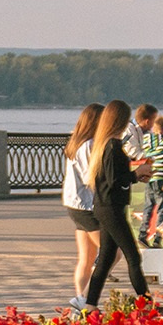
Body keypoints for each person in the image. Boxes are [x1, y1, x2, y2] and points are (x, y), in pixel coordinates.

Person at [76, 99, 153, 310]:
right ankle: (146, 305)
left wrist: (134, 176)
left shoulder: (105, 145)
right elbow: (114, 180)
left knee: (106, 259)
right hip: (110, 208)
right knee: (133, 256)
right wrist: (136, 175)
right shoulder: (112, 146)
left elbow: (113, 178)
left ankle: (89, 305)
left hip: (106, 206)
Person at [61, 103, 104, 304]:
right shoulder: (88, 145)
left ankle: (80, 298)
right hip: (85, 205)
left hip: (74, 203)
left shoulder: (76, 142)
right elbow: (92, 176)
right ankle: (89, 295)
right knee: (112, 252)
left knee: (86, 258)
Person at [138, 115, 163, 246]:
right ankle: (157, 239)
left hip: (150, 177)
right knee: (162, 209)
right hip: (161, 178)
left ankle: (142, 234)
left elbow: (144, 154)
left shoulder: (146, 139)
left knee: (148, 207)